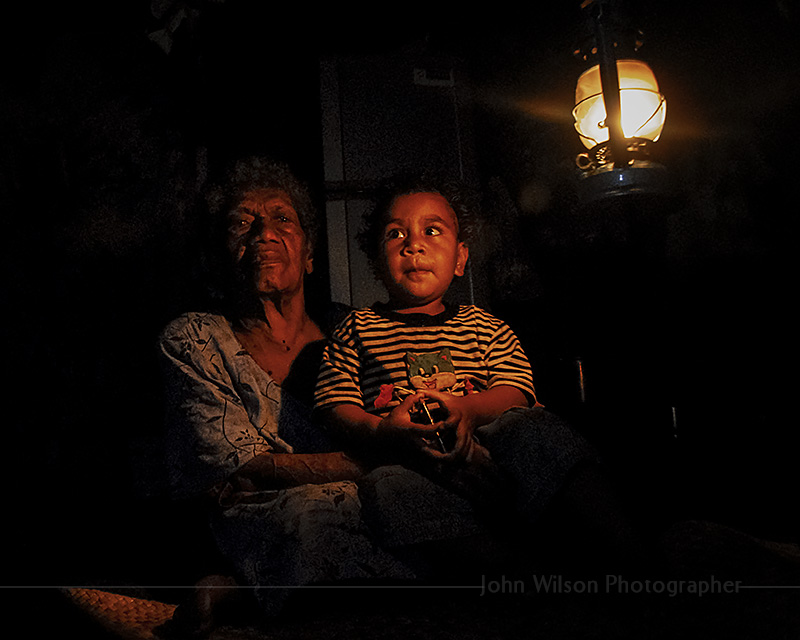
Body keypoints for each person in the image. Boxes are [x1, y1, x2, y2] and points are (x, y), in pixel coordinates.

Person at [314, 172, 651, 577]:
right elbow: (336, 405)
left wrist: (469, 410)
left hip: (496, 462)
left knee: (537, 429)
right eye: (395, 234)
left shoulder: (485, 327)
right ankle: (518, 571)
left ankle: (630, 552)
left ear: (460, 258)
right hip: (414, 468)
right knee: (383, 488)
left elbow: (516, 392)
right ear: (375, 259)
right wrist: (384, 432)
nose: (414, 244)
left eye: (432, 230)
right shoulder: (356, 328)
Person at [157, 157, 416, 632]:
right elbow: (233, 467)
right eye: (241, 223)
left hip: (382, 502)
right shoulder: (195, 339)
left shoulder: (356, 332)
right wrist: (371, 459)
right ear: (220, 253)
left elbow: (409, 411)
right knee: (313, 522)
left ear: (310, 254)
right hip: (274, 524)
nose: (262, 233)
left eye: (282, 219)